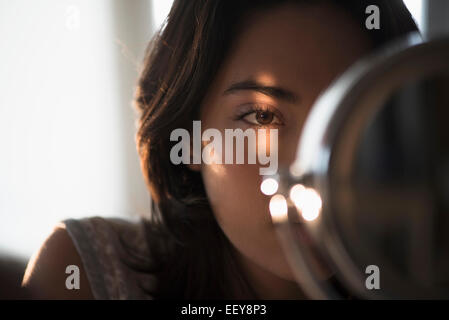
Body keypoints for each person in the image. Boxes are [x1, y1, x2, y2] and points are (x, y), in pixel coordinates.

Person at [21, 0, 418, 299]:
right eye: (260, 117)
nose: (309, 171)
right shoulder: (87, 277)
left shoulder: (425, 274)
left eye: (352, 116)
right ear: (189, 135)